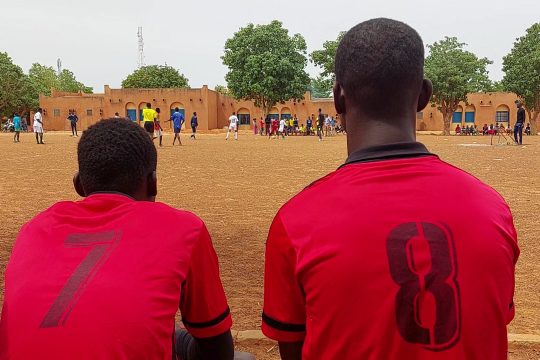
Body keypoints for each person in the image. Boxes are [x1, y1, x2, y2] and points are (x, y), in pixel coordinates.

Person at [262, 18, 519, 360]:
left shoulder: (295, 222)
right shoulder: (492, 210)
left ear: (338, 98)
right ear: (424, 96)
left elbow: (293, 348)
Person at [0, 119, 243, 360]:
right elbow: (218, 349)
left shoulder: (33, 230)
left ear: (78, 185)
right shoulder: (184, 230)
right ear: (153, 183)